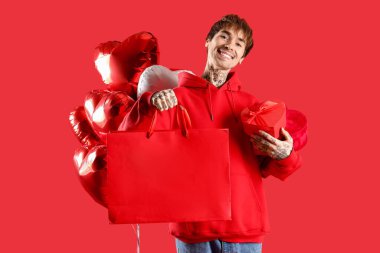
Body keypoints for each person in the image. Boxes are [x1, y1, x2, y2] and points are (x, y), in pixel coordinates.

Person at [122, 14, 302, 253]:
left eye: (239, 43)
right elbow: (130, 142)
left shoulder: (253, 105)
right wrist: (148, 103)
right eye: (224, 36)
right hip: (193, 231)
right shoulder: (174, 96)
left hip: (244, 229)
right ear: (207, 41)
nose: (230, 45)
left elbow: (270, 165)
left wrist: (285, 153)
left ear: (243, 58)